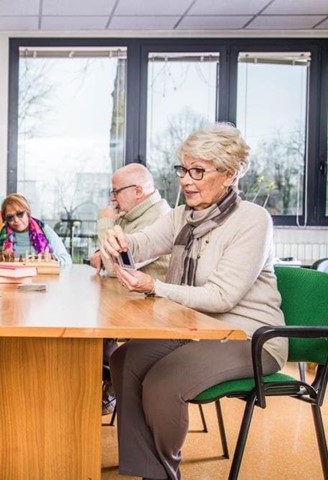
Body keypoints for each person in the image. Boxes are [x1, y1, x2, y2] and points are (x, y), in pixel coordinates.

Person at [101, 123, 287, 480]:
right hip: (199, 329)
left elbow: (221, 296)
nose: (186, 180)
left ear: (229, 174)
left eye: (198, 171)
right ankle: (150, 472)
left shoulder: (252, 220)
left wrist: (154, 286)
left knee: (163, 381)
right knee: (125, 358)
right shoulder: (182, 216)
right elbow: (141, 245)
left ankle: (163, 473)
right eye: (184, 170)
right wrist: (119, 241)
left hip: (250, 337)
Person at [88, 163, 172, 416]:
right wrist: (103, 256)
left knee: (92, 323)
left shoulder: (159, 217)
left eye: (116, 191)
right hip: (132, 299)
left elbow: (117, 267)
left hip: (154, 308)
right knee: (90, 319)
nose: (112, 198)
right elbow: (113, 258)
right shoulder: (134, 216)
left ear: (137, 191)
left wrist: (104, 224)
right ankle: (108, 384)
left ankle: (110, 388)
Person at [0, 193, 72, 266]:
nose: (16, 220)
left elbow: (67, 260)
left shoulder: (45, 231)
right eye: (10, 217)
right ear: (5, 219)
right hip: (11, 283)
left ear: (28, 213)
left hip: (41, 281)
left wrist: (53, 258)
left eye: (20, 214)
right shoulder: (0, 236)